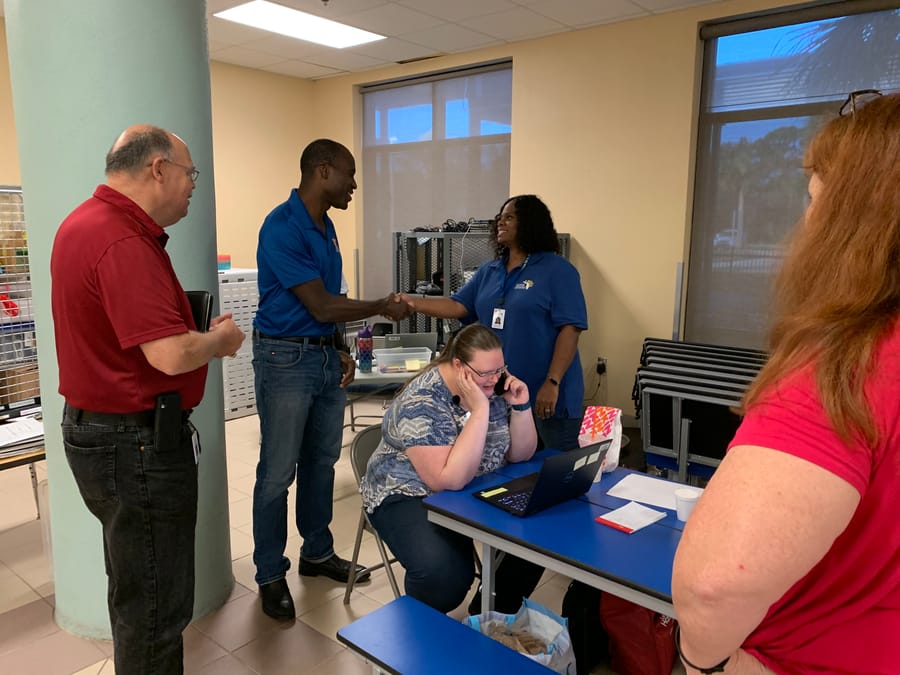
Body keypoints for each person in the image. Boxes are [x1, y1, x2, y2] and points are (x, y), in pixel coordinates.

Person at [672, 91, 900, 674]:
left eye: (812, 198)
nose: (804, 222)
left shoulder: (846, 364)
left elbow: (716, 583)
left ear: (855, 218)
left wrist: (706, 664)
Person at [50, 124, 246, 674]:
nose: (191, 188)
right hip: (133, 443)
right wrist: (220, 341)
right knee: (157, 606)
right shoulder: (122, 240)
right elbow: (170, 355)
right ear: (158, 169)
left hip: (101, 433)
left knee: (136, 588)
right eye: (190, 175)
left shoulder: (80, 224)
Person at [252, 138, 411, 620]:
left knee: (321, 462)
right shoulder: (282, 227)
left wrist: (339, 348)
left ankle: (316, 553)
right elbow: (320, 304)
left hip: (320, 356)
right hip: (283, 358)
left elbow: (328, 302)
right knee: (278, 471)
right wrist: (382, 306)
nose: (355, 184)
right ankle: (268, 573)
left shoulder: (328, 227)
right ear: (323, 171)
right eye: (349, 174)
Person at [361, 324, 545, 613]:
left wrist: (521, 406)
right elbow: (446, 481)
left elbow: (520, 455)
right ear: (458, 365)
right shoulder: (421, 401)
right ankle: (419, 631)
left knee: (536, 540)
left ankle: (489, 615)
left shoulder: (491, 385)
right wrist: (480, 411)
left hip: (474, 485)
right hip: (408, 492)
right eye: (486, 373)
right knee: (443, 577)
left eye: (500, 370)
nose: (495, 379)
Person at [402, 195, 588, 451]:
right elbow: (458, 306)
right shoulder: (490, 271)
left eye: (509, 217)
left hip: (547, 394)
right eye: (500, 216)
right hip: (501, 393)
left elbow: (571, 329)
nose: (501, 221)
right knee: (508, 466)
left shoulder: (558, 270)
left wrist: (552, 382)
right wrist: (412, 303)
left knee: (555, 469)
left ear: (530, 223)